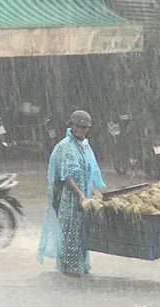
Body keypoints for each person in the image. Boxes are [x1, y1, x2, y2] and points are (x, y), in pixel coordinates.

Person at [37, 110, 106, 277]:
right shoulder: (65, 146)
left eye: (85, 128)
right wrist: (80, 194)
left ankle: (81, 267)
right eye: (79, 127)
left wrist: (94, 192)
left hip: (85, 198)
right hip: (69, 199)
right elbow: (66, 175)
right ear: (72, 126)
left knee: (82, 233)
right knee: (69, 234)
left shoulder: (85, 146)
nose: (81, 131)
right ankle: (68, 270)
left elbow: (90, 171)